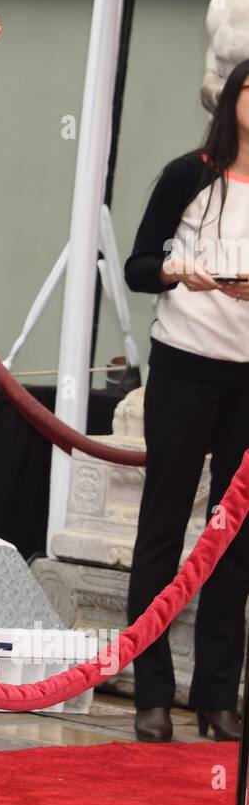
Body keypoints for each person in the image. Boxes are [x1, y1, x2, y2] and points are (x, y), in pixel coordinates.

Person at [125, 59, 249, 743]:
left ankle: (217, 697)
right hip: (184, 366)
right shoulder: (189, 174)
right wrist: (183, 271)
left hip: (247, 378)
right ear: (233, 98)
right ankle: (151, 691)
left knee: (234, 538)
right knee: (163, 527)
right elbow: (140, 265)